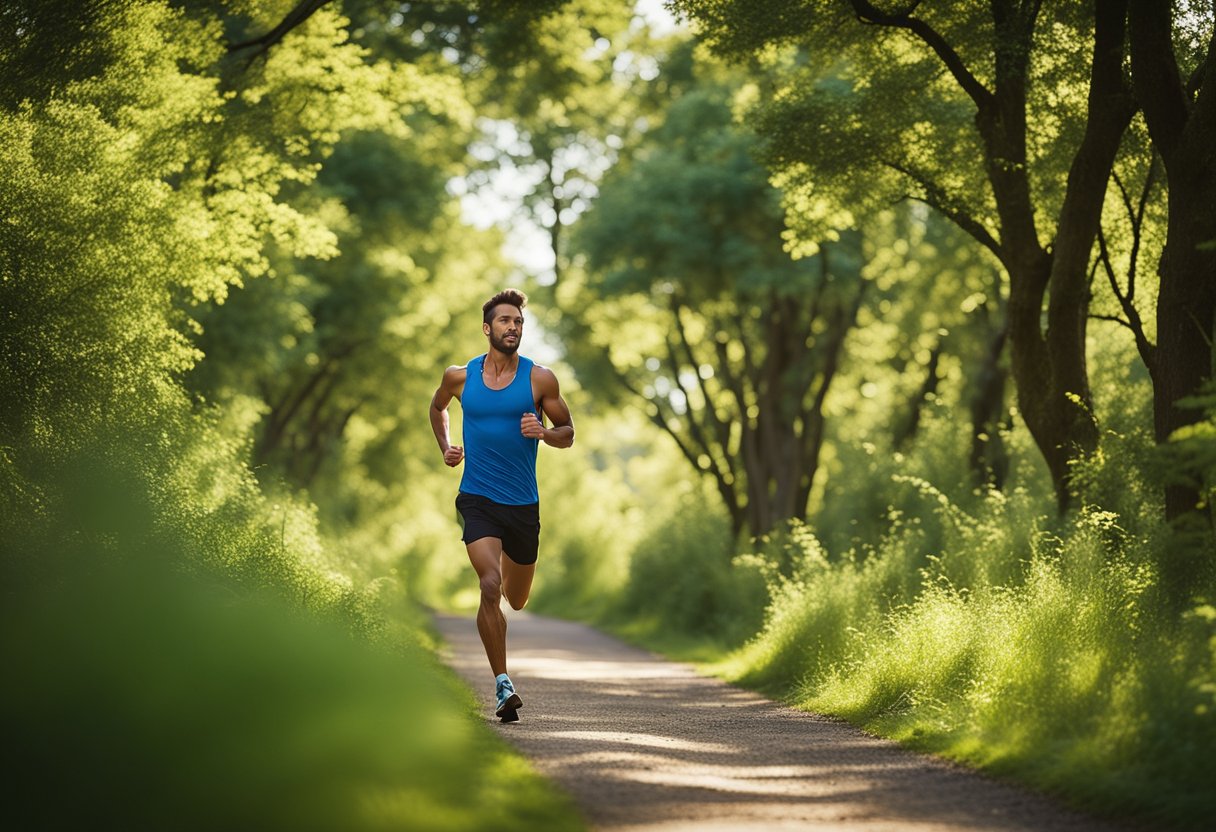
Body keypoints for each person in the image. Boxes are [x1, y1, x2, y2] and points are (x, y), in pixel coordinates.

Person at [429, 288, 575, 722]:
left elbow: (567, 431)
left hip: (522, 506)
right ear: (487, 328)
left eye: (519, 322)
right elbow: (437, 407)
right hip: (477, 498)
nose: (513, 327)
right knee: (489, 584)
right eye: (505, 321)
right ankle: (501, 683)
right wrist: (446, 446)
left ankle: (502, 666)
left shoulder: (540, 379)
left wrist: (544, 434)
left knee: (517, 596)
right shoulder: (460, 377)